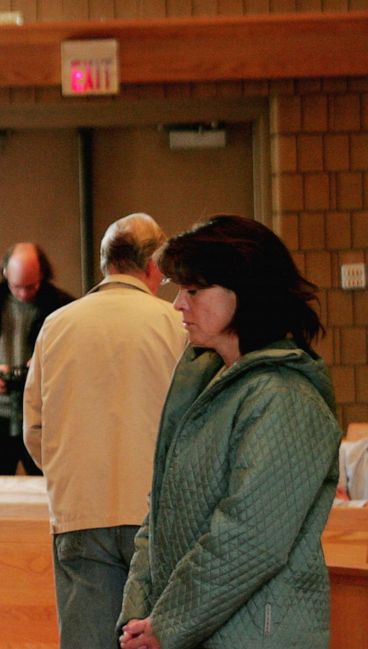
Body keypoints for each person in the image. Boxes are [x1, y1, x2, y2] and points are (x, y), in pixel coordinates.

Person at [117, 215, 343, 649]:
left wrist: (168, 621)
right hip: (191, 629)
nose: (179, 304)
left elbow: (250, 536)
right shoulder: (209, 383)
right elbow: (161, 510)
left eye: (194, 291)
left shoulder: (285, 397)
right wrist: (140, 613)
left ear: (246, 292)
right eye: (179, 289)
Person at [21, 213, 186, 649]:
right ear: (154, 266)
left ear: (104, 264)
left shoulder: (56, 325)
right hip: (157, 513)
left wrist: (69, 471)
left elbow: (34, 429)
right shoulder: (176, 324)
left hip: (80, 512)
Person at [0, 242, 73, 475]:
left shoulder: (63, 306)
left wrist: (44, 367)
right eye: (16, 286)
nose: (23, 294)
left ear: (42, 274)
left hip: (42, 417)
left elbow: (73, 362)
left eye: (30, 287)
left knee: (49, 488)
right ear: (4, 274)